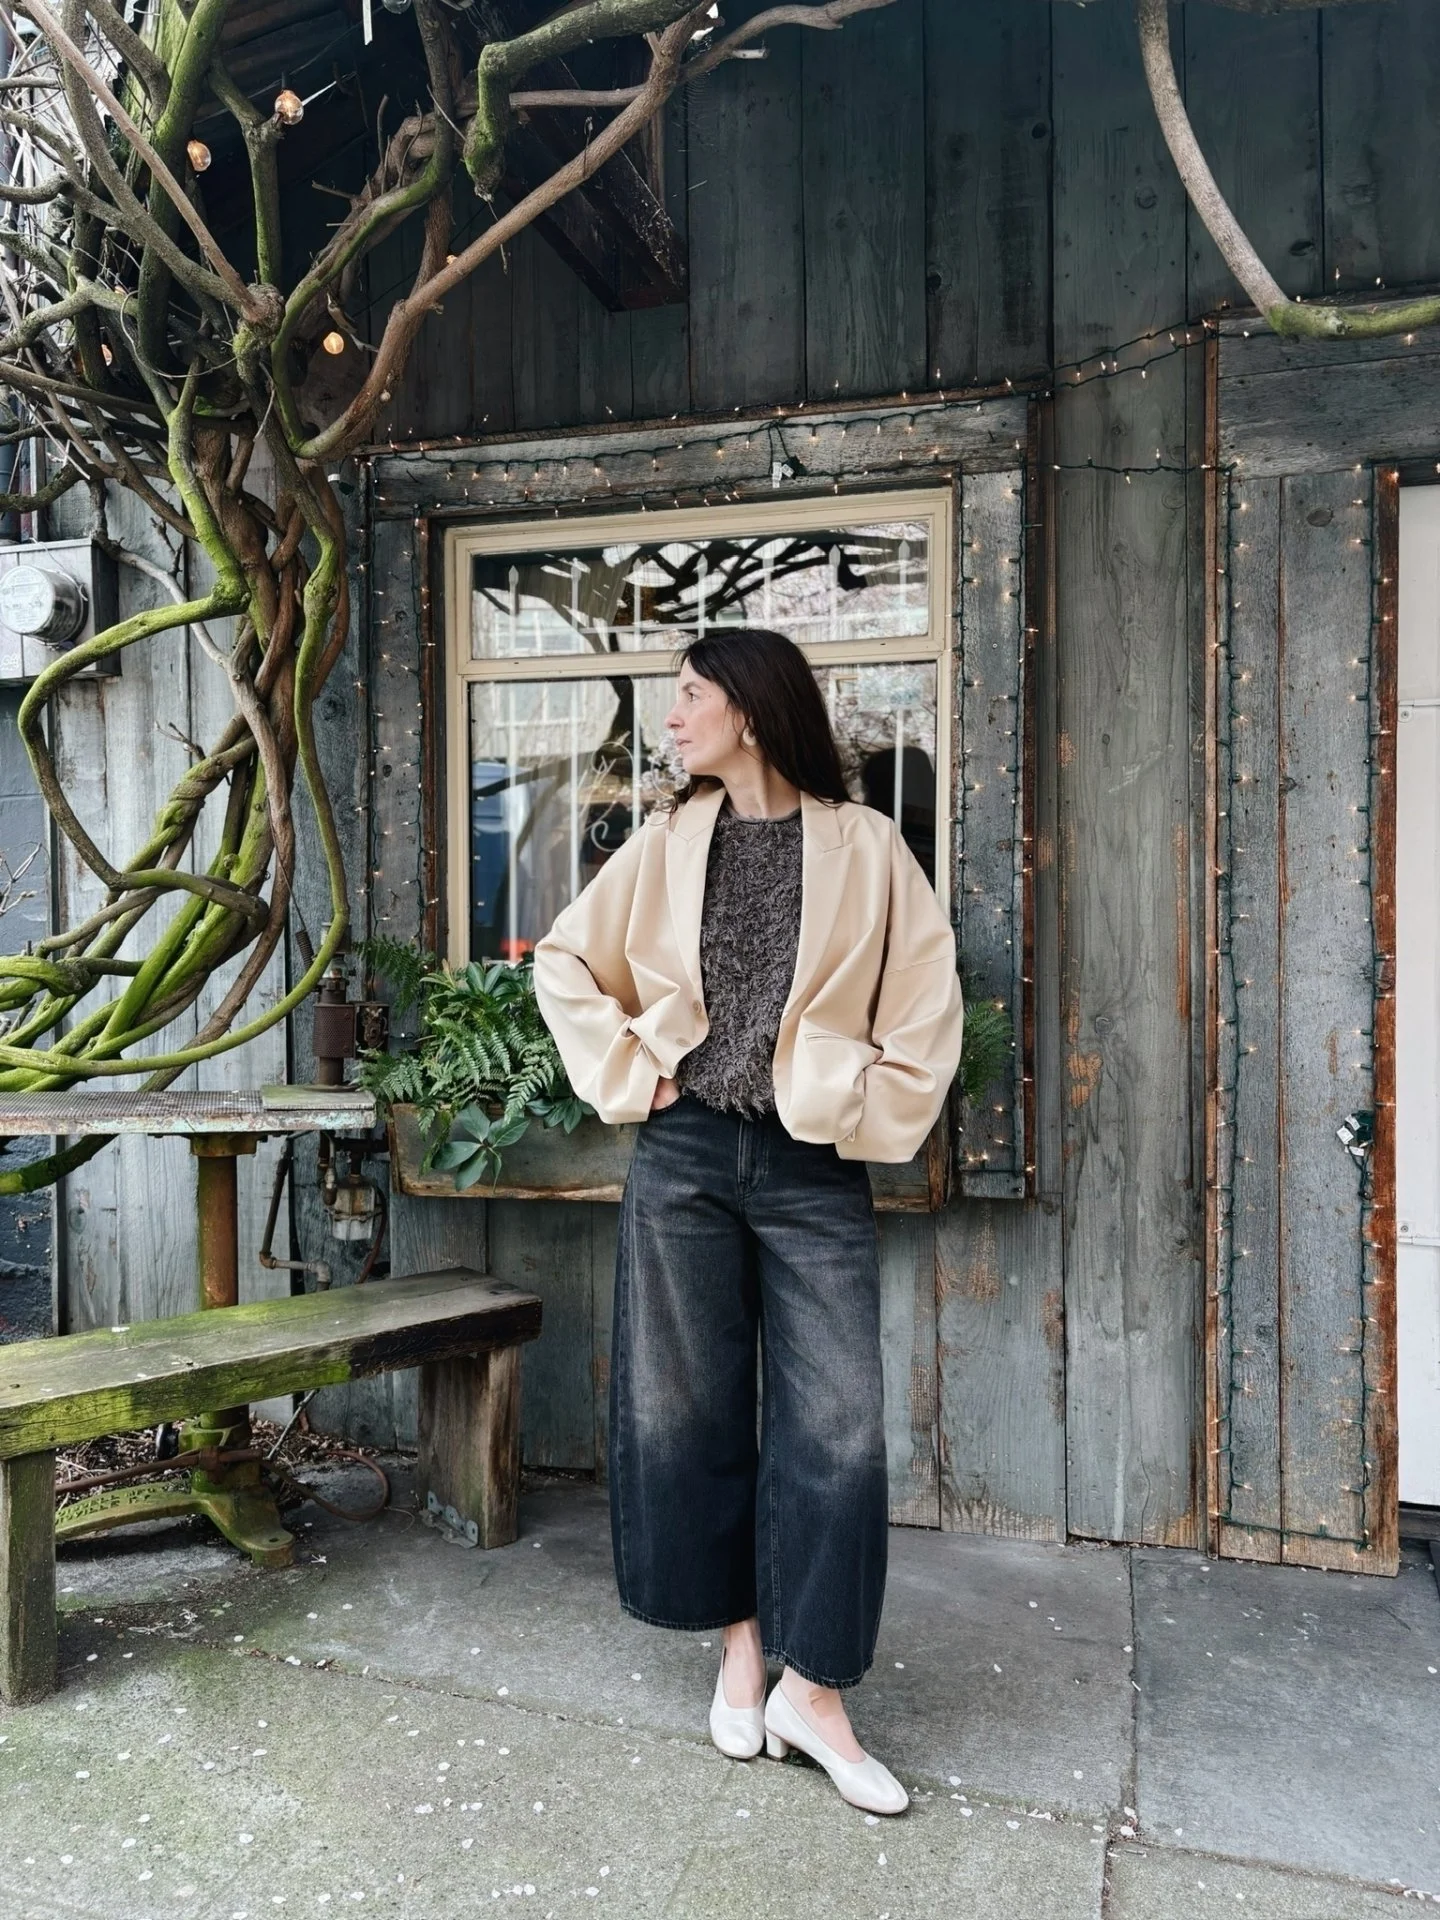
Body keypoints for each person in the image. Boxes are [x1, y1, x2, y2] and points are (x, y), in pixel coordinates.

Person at [532, 628, 964, 1817]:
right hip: (682, 1158)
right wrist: (636, 1072)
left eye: (689, 698)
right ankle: (738, 1646)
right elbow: (565, 962)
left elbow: (927, 1003)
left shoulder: (868, 846)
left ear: (753, 712)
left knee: (839, 1424)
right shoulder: (666, 840)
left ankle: (814, 1689)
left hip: (810, 1164)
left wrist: (859, 1108)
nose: (671, 720)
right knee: (688, 1409)